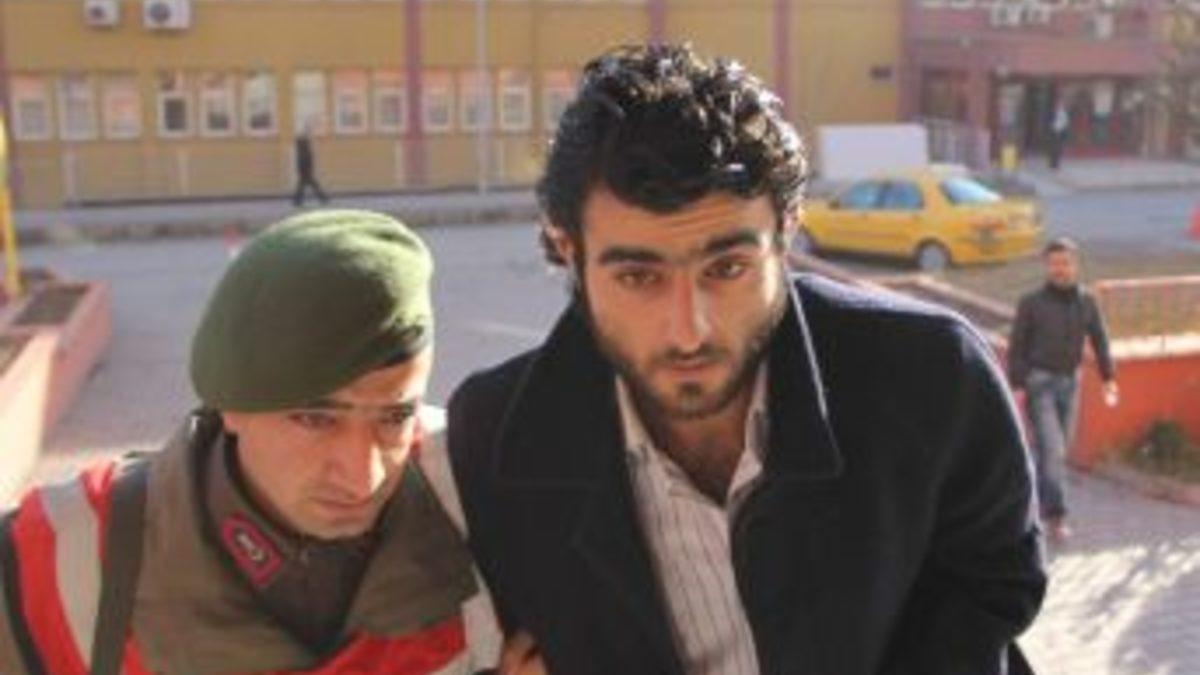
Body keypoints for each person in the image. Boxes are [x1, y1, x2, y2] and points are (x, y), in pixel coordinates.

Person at [448, 44, 1046, 675]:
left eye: (727, 268)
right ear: (569, 251)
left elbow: (995, 582)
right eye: (639, 278)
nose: (689, 330)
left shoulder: (930, 374)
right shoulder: (496, 438)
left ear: (787, 232)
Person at [0, 210, 498, 674]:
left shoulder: (482, 500)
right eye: (315, 419)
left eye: (395, 416)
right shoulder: (55, 560)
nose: (363, 477)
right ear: (230, 405)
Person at [1009, 237, 1117, 543]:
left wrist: (1109, 377)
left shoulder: (1087, 301)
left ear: (1075, 265)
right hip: (1039, 383)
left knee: (1056, 452)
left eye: (1065, 263)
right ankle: (1056, 518)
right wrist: (1018, 384)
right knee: (1053, 450)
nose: (1060, 269)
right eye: (1054, 263)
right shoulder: (1031, 303)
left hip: (1071, 383)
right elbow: (1017, 346)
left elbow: (1100, 338)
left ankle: (1031, 504)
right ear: (1046, 266)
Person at [293, 124, 329, 207]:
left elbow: (304, 159)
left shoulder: (302, 145)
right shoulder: (304, 145)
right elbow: (307, 158)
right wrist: (309, 168)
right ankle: (323, 198)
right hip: (306, 168)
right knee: (310, 184)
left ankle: (298, 201)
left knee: (304, 184)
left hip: (304, 168)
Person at [1048, 101, 1069, 170]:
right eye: (1058, 105)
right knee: (1053, 148)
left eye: (1060, 105)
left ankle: (1056, 163)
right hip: (1054, 132)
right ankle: (1052, 163)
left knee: (1058, 148)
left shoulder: (1064, 114)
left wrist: (1063, 131)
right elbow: (1050, 121)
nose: (1059, 107)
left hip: (1060, 132)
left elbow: (1065, 123)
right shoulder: (1053, 113)